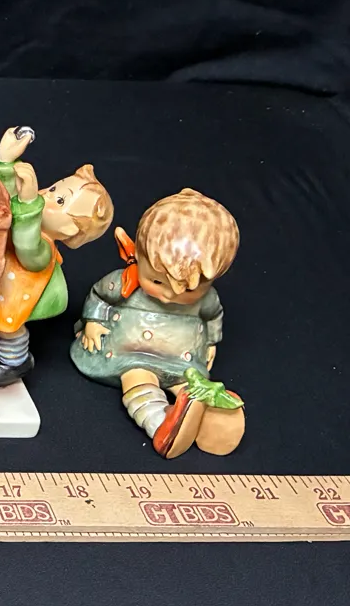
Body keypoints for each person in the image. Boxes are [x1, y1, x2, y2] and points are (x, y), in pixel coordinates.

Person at [71, 188, 244, 457]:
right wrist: (92, 322)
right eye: (156, 281)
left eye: (188, 291)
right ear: (139, 257)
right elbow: (99, 296)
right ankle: (160, 423)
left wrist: (211, 342)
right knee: (139, 379)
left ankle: (209, 415)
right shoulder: (122, 283)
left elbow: (213, 315)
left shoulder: (208, 299)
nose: (169, 295)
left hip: (181, 357)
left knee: (190, 382)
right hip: (132, 354)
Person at [0, 126, 113, 386]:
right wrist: (4, 162)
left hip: (14, 297)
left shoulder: (44, 249)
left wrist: (30, 202)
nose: (47, 195)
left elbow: (26, 245)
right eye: (53, 189)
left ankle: (13, 362)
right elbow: (4, 204)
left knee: (8, 327)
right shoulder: (27, 214)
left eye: (60, 201)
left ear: (69, 230)